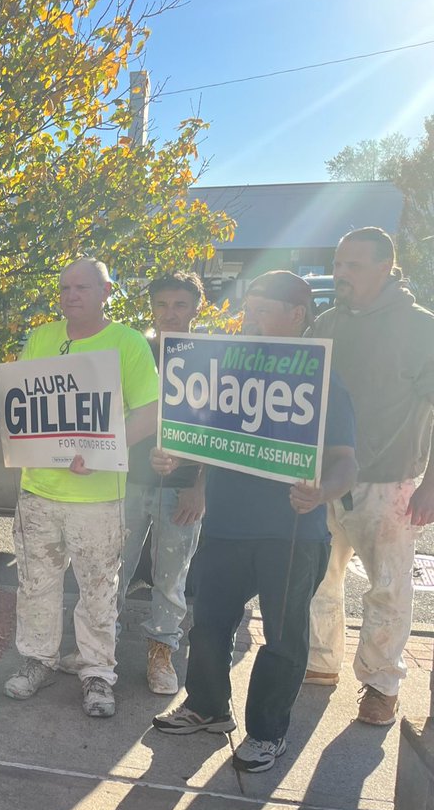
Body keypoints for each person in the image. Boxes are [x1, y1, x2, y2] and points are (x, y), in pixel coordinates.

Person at [152, 271, 357, 773]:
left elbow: (346, 462)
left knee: (283, 639)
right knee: (208, 626)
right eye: (250, 309)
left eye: (265, 309)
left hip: (291, 532)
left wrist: (323, 494)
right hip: (225, 525)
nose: (253, 319)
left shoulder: (322, 376)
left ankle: (267, 734)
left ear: (297, 316)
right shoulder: (226, 370)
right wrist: (172, 460)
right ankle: (206, 708)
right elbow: (196, 438)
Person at [3, 258, 158, 718]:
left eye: (82, 287)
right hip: (39, 492)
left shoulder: (127, 343)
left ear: (107, 290)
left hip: (98, 498)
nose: (71, 296)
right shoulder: (42, 338)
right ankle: (37, 661)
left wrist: (100, 448)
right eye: (64, 288)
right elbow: (26, 400)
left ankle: (96, 674)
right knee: (35, 584)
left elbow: (149, 413)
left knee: (98, 589)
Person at [305, 227, 434, 726]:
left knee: (388, 587)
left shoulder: (421, 329)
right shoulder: (326, 323)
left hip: (390, 480)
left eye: (353, 265)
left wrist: (429, 485)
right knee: (320, 579)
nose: (340, 273)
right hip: (323, 478)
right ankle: (320, 664)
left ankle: (381, 685)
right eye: (338, 263)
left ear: (386, 267)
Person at [112, 272, 207, 695]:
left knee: (171, 578)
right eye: (162, 305)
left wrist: (200, 483)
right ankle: (101, 646)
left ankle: (161, 653)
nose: (170, 313)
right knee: (112, 569)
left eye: (180, 305)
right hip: (128, 481)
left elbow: (223, 432)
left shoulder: (210, 358)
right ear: (151, 307)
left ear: (196, 308)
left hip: (183, 490)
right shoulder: (135, 351)